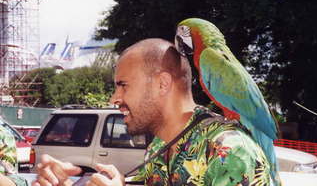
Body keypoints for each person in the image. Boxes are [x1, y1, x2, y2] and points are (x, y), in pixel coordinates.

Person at [32, 38, 273, 186]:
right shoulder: (160, 145)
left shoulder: (230, 152)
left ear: (162, 84)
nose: (114, 99)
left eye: (123, 85)